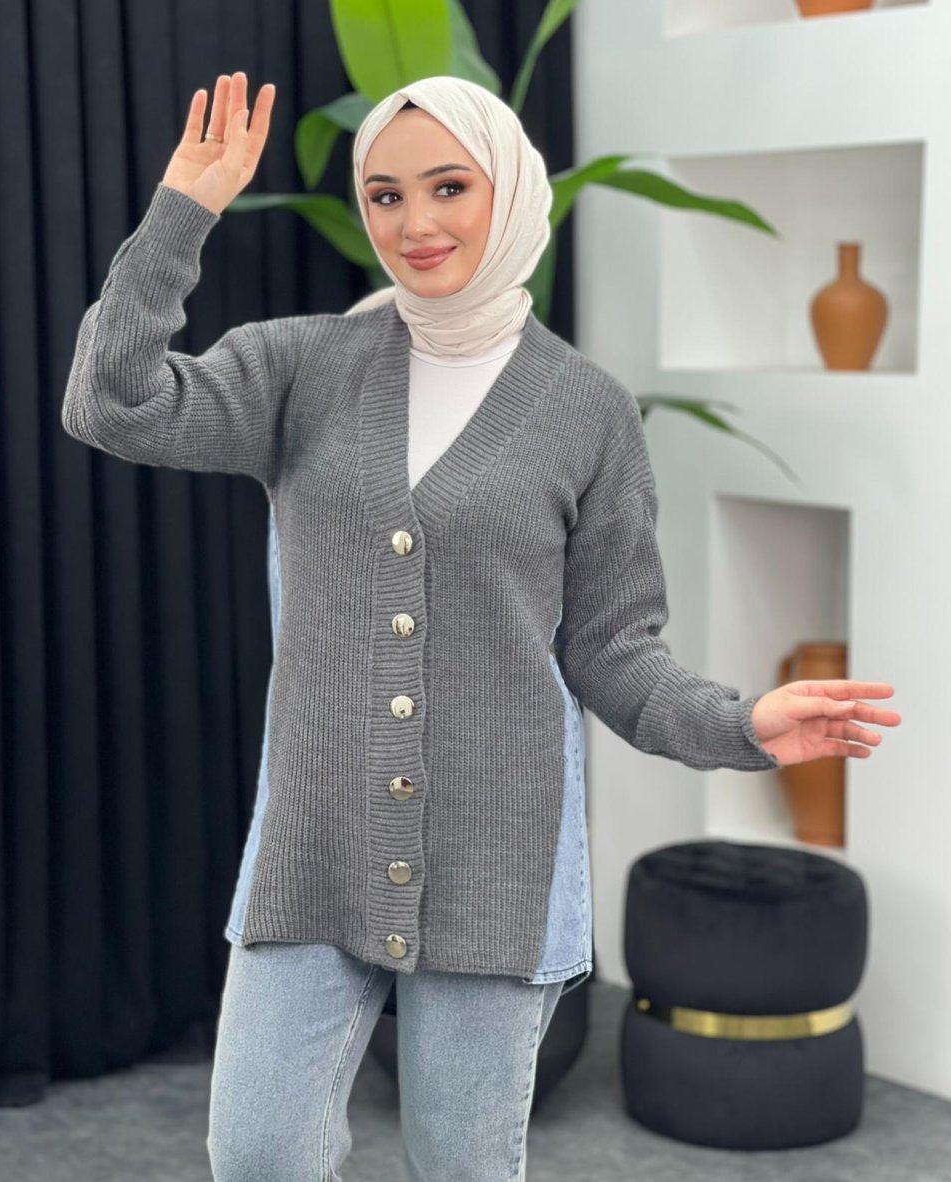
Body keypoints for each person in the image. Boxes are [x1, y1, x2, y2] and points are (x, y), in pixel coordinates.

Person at [61, 70, 902, 1181]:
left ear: (508, 188)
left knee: (462, 1164)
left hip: (498, 854)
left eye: (448, 186)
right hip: (315, 842)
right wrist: (185, 210)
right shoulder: (301, 366)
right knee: (258, 1153)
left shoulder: (585, 410)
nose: (415, 222)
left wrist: (741, 724)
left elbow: (614, 652)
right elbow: (110, 402)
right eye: (386, 195)